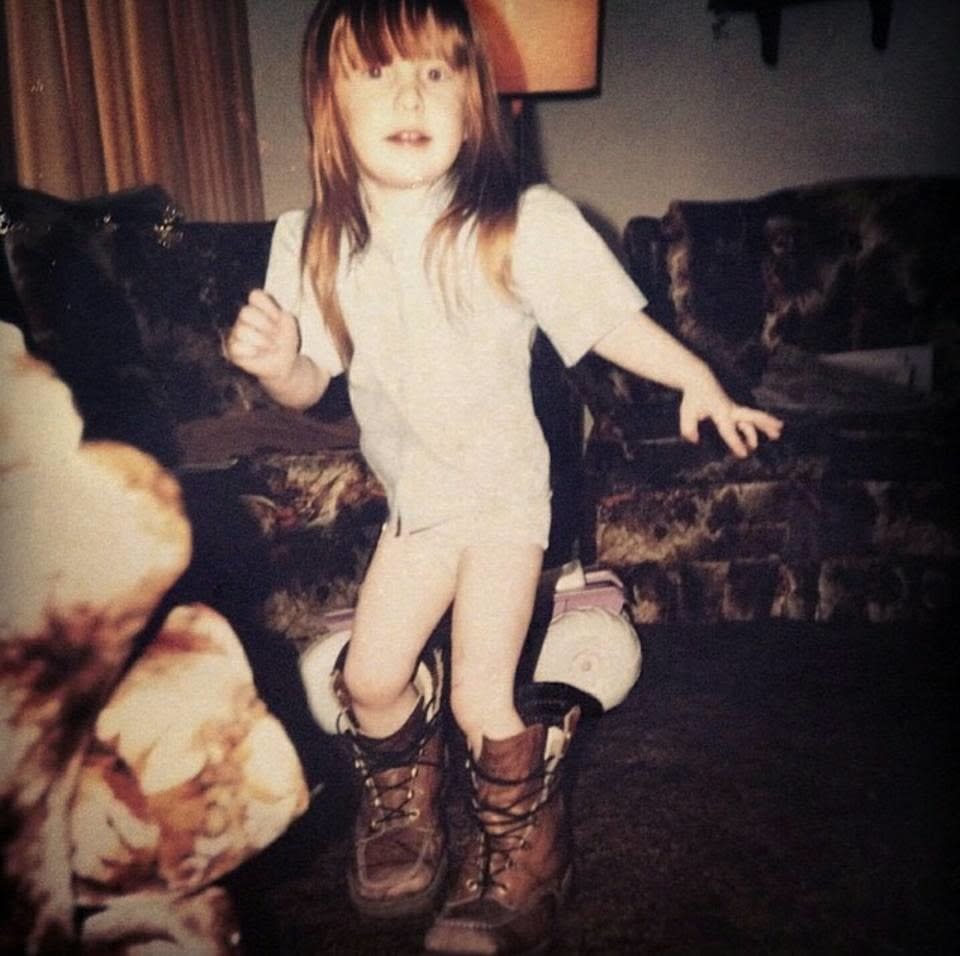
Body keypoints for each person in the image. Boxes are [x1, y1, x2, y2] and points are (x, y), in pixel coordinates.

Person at [225, 1, 784, 952]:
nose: (410, 92)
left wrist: (697, 376)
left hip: (504, 509)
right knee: (368, 679)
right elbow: (312, 384)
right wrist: (275, 360)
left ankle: (524, 849)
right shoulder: (311, 238)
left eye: (437, 73)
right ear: (328, 99)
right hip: (417, 511)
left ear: (475, 98)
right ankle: (408, 794)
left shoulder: (520, 223)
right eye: (379, 72)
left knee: (488, 698)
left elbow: (608, 323)